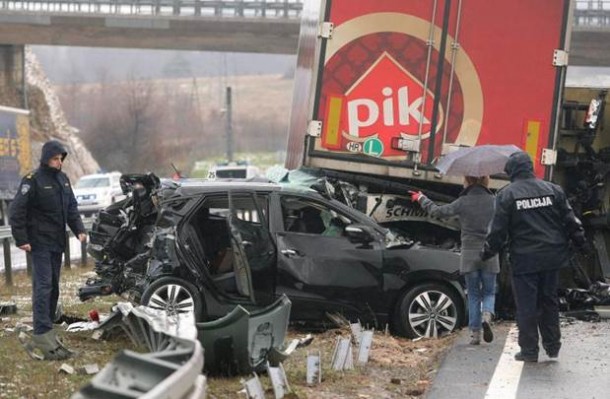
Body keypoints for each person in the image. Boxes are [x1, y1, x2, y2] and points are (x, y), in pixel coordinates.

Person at [480, 151, 587, 362]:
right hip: (552, 257)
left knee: (527, 305)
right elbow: (570, 221)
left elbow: (498, 231)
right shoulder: (553, 190)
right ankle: (553, 345)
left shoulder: (507, 195)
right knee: (549, 301)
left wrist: (487, 252)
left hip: (525, 259)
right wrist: (580, 243)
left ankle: (529, 350)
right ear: (530, 168)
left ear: (511, 172)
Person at [9, 140, 87, 360]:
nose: (59, 162)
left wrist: (79, 229)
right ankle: (41, 332)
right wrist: (21, 239)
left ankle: (49, 327)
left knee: (53, 287)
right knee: (43, 286)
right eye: (55, 158)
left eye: (61, 159)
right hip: (38, 243)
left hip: (56, 243)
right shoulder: (32, 181)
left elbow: (71, 208)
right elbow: (17, 211)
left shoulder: (63, 180)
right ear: (46, 158)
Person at [410, 176, 499, 345]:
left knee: (473, 294)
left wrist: (421, 198)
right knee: (489, 292)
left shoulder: (463, 201)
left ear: (468, 181)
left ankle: (475, 335)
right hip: (490, 252)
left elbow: (439, 212)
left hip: (469, 253)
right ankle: (487, 314)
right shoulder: (494, 201)